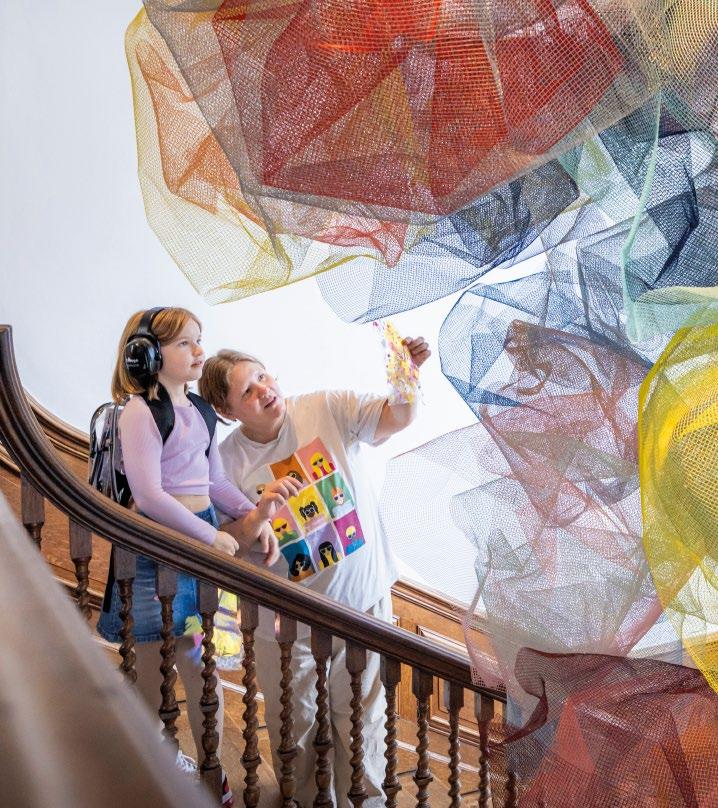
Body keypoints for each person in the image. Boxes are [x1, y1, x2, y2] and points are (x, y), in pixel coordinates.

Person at [199, 337, 431, 807]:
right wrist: (260, 513)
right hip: (285, 626)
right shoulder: (223, 462)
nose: (264, 390)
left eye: (263, 376)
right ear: (226, 410)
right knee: (296, 730)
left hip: (362, 605)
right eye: (247, 392)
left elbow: (397, 416)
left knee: (363, 725)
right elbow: (226, 542)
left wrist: (406, 374)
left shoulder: (326, 406)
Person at [97, 307, 298, 806]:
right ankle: (145, 765)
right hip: (153, 557)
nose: (199, 351)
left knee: (200, 665)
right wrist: (209, 538)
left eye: (198, 340)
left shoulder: (201, 411)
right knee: (151, 669)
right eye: (185, 343)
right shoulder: (140, 413)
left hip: (196, 560)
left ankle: (210, 768)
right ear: (147, 354)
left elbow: (212, 481)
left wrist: (252, 513)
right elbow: (149, 496)